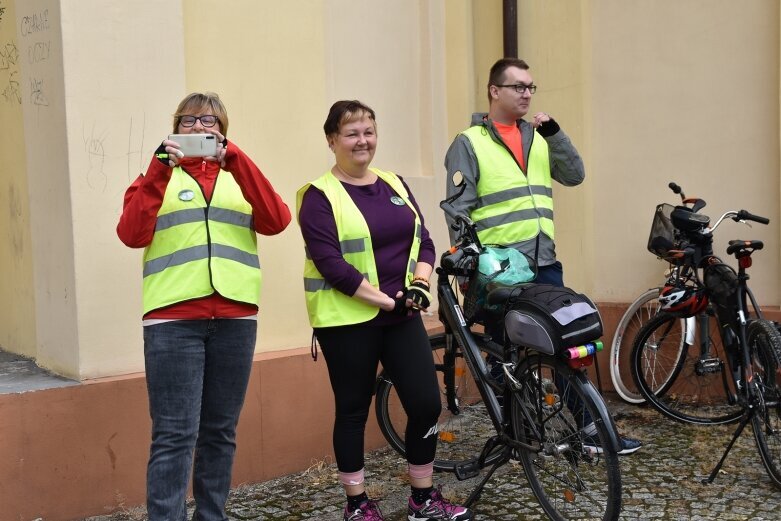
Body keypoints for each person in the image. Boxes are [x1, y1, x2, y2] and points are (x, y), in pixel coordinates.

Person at [444, 58, 642, 455]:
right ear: (494, 91)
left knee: (563, 344)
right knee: (503, 355)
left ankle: (591, 430)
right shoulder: (470, 142)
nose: (526, 94)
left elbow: (574, 175)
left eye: (531, 87)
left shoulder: (539, 138)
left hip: (544, 262)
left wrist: (556, 134)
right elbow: (457, 208)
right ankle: (515, 435)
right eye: (517, 86)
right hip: (498, 269)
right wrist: (468, 266)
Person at [117, 92, 291, 520]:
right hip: (172, 323)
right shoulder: (154, 177)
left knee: (219, 433)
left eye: (209, 120)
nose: (199, 128)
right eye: (189, 120)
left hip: (235, 320)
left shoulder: (240, 175)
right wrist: (160, 167)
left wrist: (238, 159)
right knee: (174, 435)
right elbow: (131, 234)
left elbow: (277, 220)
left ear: (224, 131)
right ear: (175, 129)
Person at [297, 100, 472, 521]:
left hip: (402, 315)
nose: (363, 141)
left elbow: (424, 240)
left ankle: (422, 498)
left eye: (369, 131)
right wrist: (385, 298)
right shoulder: (319, 195)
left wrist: (418, 283)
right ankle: (357, 504)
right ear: (332, 140)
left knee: (427, 403)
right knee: (353, 409)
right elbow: (331, 264)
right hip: (348, 321)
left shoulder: (393, 183)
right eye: (352, 133)